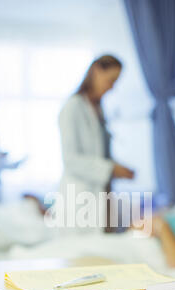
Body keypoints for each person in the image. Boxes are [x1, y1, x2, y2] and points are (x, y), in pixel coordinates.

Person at [58, 55, 134, 233]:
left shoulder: (98, 108)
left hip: (98, 192)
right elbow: (70, 160)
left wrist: (115, 167)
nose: (112, 87)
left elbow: (98, 153)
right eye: (111, 80)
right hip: (78, 194)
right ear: (96, 71)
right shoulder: (73, 107)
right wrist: (111, 168)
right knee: (79, 255)